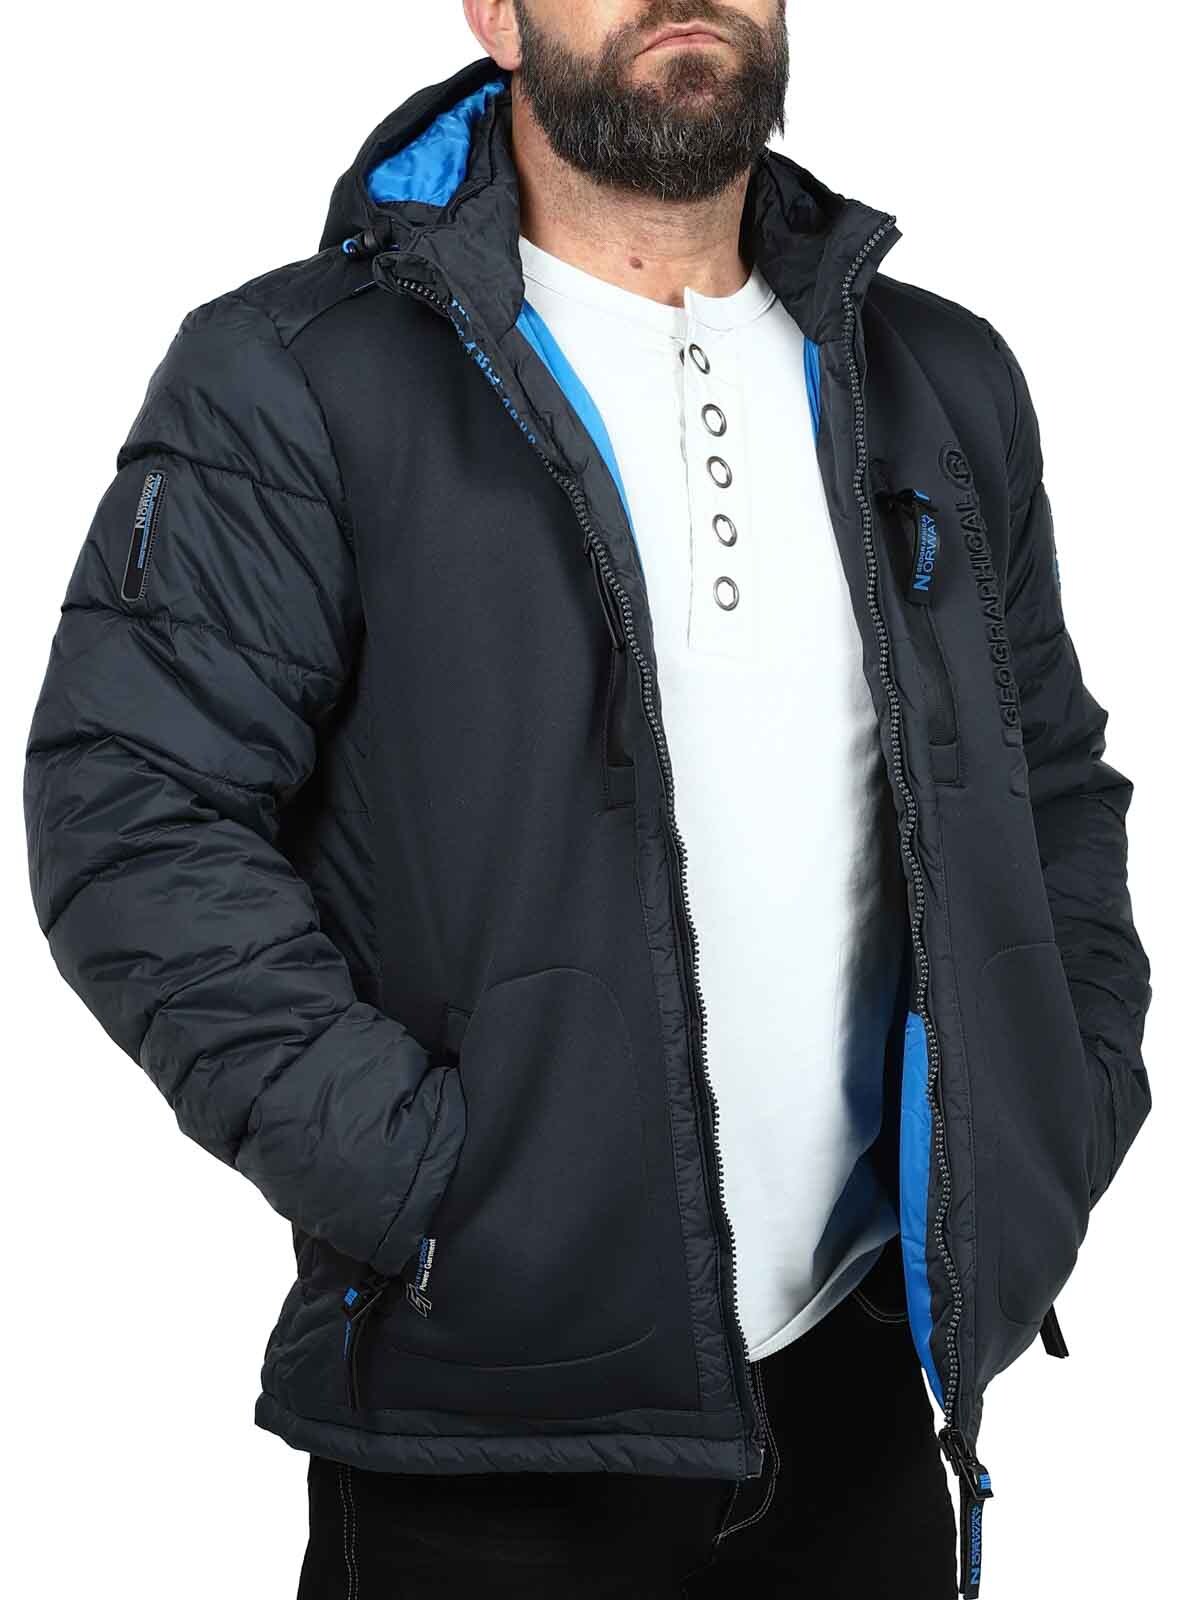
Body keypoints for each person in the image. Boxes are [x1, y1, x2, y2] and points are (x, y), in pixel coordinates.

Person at [23, 2, 1152, 1596]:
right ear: (495, 11)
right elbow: (131, 815)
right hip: (490, 1426)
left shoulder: (936, 380)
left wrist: (1062, 1099)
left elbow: (1051, 784)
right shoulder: (298, 379)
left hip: (861, 1389)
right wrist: (438, 1191)